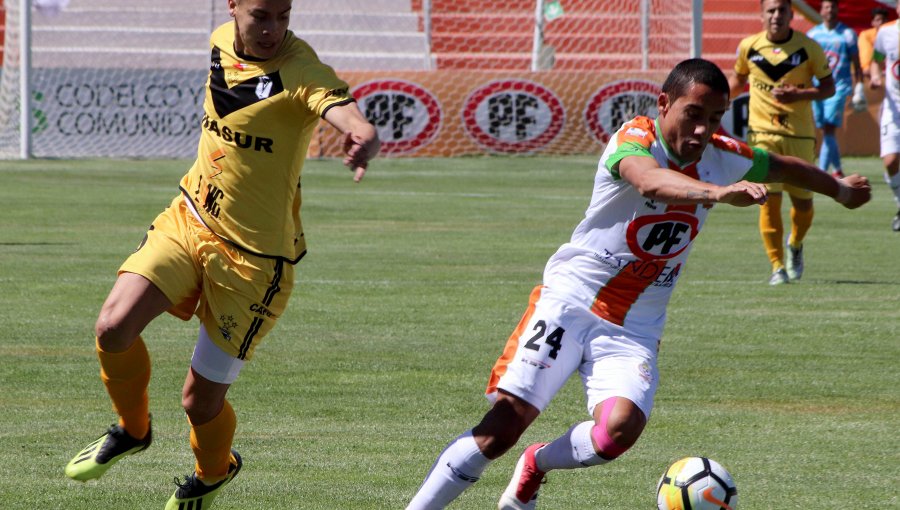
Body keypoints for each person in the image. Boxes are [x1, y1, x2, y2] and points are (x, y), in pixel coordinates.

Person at [405, 58, 870, 510]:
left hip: (634, 326)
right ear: (664, 103)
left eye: (714, 118)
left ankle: (535, 467)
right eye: (693, 114)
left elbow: (785, 167)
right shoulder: (635, 139)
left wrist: (841, 190)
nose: (703, 130)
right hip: (571, 301)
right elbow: (648, 182)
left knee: (618, 432)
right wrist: (715, 194)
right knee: (502, 429)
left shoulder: (724, 157)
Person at [63, 0, 380, 509]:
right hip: (190, 218)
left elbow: (331, 99)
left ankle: (212, 473)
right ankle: (133, 429)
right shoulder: (217, 41)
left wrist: (359, 130)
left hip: (255, 262)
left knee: (199, 400)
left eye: (284, 13)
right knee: (112, 327)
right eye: (260, 14)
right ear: (232, 7)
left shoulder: (298, 67)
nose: (273, 27)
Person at [729, 0, 836, 286]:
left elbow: (829, 88)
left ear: (791, 14)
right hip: (761, 135)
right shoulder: (748, 46)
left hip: (800, 136)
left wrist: (799, 95)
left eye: (782, 10)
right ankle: (777, 266)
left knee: (803, 205)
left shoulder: (808, 47)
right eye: (771, 10)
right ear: (762, 14)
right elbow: (738, 81)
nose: (776, 16)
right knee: (767, 201)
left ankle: (796, 244)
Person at [807, 0, 863, 179]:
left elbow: (856, 62)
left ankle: (822, 173)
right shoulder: (813, 34)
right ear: (821, 10)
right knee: (825, 129)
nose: (830, 10)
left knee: (829, 128)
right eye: (826, 7)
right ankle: (837, 170)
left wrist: (859, 86)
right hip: (818, 87)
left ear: (837, 9)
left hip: (839, 87)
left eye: (833, 7)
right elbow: (807, 62)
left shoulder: (847, 34)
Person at [869, 2, 900, 231]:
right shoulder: (886, 33)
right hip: (893, 107)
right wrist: (875, 76)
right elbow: (875, 60)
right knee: (890, 161)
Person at [858, 6, 889, 81]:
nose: (881, 22)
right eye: (878, 20)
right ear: (872, 22)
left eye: (883, 20)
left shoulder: (894, 35)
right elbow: (866, 67)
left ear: (887, 21)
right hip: (875, 78)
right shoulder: (866, 36)